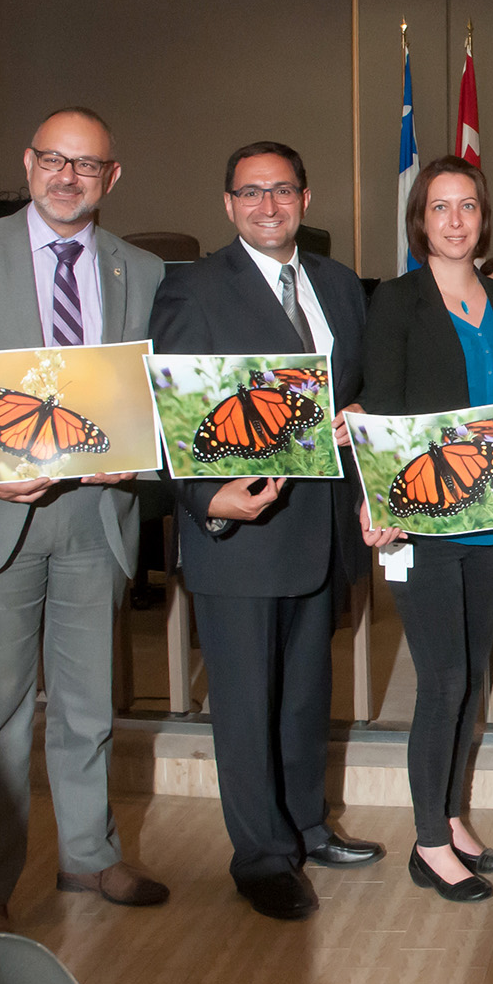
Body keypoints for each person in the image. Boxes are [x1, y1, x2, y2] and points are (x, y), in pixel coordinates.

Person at [0, 107, 170, 932]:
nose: (67, 177)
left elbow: (161, 395)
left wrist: (141, 454)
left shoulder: (143, 271)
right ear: (29, 163)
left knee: (88, 706)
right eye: (54, 159)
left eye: (86, 165)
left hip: (95, 518)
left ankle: (89, 854)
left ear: (111, 177)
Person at [149, 141, 384, 921]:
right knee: (248, 705)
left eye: (282, 190)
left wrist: (360, 415)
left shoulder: (339, 284)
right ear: (228, 205)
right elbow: (171, 411)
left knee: (305, 697)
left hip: (320, 527)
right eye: (250, 193)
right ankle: (261, 857)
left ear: (306, 199)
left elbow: (355, 386)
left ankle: (307, 826)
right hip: (242, 530)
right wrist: (208, 500)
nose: (268, 206)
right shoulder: (192, 288)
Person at [358, 157, 493, 902]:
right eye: (439, 207)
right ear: (420, 218)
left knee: (471, 676)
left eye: (467, 205)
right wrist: (377, 502)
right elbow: (382, 403)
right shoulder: (396, 301)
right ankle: (429, 843)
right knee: (441, 680)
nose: (454, 220)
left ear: (483, 216)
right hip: (423, 519)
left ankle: (452, 815)